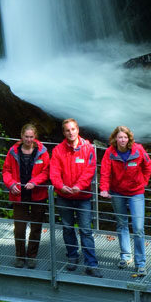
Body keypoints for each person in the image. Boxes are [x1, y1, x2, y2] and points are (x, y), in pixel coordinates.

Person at [49, 118, 101, 277]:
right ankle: (72, 256)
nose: (70, 132)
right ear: (63, 132)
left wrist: (79, 186)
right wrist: (60, 186)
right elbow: (54, 172)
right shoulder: (58, 150)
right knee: (67, 227)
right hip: (64, 195)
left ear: (77, 130)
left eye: (73, 129)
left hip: (83, 196)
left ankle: (91, 264)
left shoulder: (88, 149)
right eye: (67, 130)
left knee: (85, 230)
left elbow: (89, 171)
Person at [100, 125, 151, 274]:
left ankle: (141, 263)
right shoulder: (110, 153)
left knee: (138, 228)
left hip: (136, 192)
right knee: (122, 224)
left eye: (125, 137)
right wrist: (104, 189)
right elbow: (104, 172)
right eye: (120, 137)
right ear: (115, 138)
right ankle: (125, 256)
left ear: (129, 139)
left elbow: (148, 166)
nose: (122, 140)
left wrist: (144, 182)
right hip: (117, 192)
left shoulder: (138, 150)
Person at [1, 123, 50, 268]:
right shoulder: (13, 152)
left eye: (31, 137)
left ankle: (32, 256)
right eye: (26, 137)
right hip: (19, 194)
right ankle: (20, 256)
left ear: (35, 137)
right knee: (20, 227)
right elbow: (6, 171)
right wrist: (11, 184)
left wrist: (35, 182)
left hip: (37, 194)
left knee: (36, 227)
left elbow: (46, 172)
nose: (29, 140)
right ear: (22, 136)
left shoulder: (42, 152)